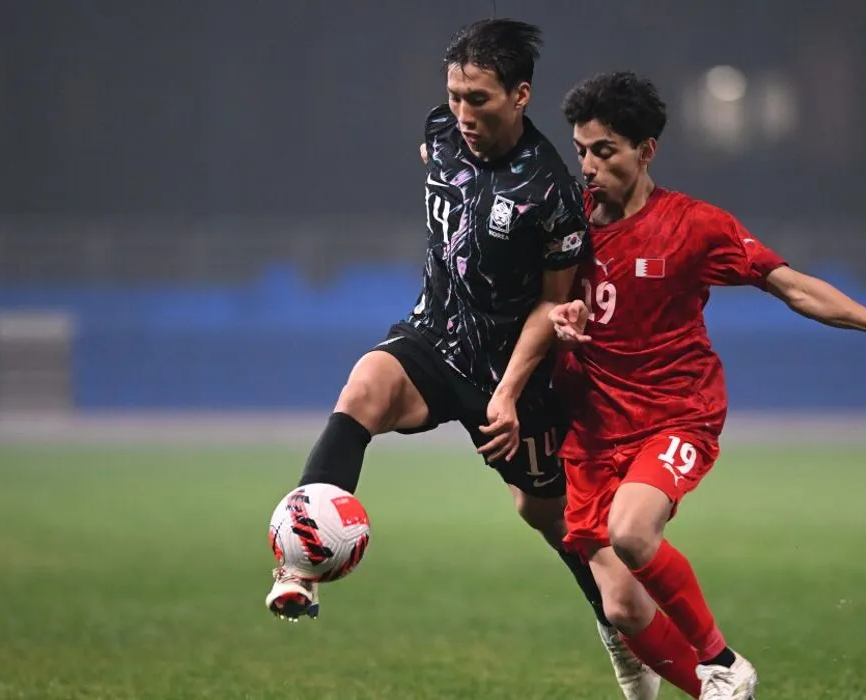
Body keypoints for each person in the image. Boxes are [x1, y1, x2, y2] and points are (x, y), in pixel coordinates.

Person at [264, 23, 658, 698]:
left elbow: (550, 309)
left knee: (549, 518)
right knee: (362, 389)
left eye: (478, 99)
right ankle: (297, 565)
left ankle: (619, 635)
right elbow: (439, 157)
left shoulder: (551, 195)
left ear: (520, 94)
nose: (463, 114)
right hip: (433, 339)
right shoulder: (443, 134)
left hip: (512, 376)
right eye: (454, 96)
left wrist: (506, 394)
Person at [549, 71, 866, 700]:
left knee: (633, 532)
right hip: (594, 428)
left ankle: (725, 660)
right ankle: (717, 689)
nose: (589, 166)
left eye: (605, 151)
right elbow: (530, 299)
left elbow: (791, 285)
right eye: (581, 150)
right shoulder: (564, 224)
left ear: (645, 150)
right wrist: (560, 322)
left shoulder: (692, 225)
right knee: (625, 609)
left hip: (673, 414)